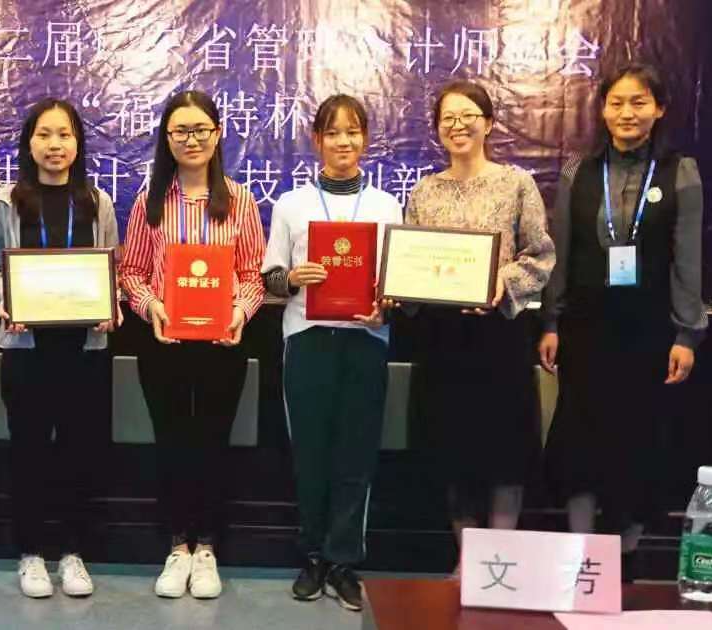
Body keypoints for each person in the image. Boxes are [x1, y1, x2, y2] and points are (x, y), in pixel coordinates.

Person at [539, 62, 706, 575]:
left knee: (639, 440)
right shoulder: (579, 170)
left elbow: (688, 258)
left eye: (639, 102)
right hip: (585, 329)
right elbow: (560, 252)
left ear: (659, 109)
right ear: (603, 110)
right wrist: (550, 321)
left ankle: (624, 555)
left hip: (649, 332)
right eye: (616, 102)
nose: (626, 112)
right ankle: (581, 550)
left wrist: (686, 334)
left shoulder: (680, 171)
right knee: (581, 438)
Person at [119, 90, 266, 599]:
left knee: (213, 442)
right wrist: (150, 306)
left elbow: (253, 274)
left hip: (222, 344)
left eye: (201, 129)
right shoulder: (151, 201)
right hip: (164, 343)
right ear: (167, 139)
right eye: (180, 131)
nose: (191, 139)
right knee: (172, 442)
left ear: (217, 134)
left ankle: (207, 548)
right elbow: (131, 272)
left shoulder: (241, 201)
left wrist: (239, 311)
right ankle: (177, 545)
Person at [261, 95, 401, 612]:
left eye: (353, 131)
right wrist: (294, 278)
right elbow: (271, 277)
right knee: (311, 453)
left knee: (356, 453)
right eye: (333, 133)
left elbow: (397, 281)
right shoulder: (291, 204)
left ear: (366, 138)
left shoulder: (387, 206)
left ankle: (344, 561)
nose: (344, 142)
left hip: (366, 340)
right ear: (316, 140)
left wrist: (385, 308)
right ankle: (313, 555)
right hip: (307, 337)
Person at [404, 80, 555, 560]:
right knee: (451, 453)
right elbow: (409, 262)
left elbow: (541, 255)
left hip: (499, 337)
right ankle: (468, 561)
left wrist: (502, 283)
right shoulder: (425, 192)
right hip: (442, 340)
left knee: (505, 452)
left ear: (488, 123)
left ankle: (499, 561)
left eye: (468, 115)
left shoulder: (516, 184)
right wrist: (399, 288)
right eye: (447, 118)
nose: (458, 126)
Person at [0, 98, 121, 598]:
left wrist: (110, 304)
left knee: (81, 452)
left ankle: (73, 553)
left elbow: (111, 267)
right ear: (29, 143)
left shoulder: (97, 202)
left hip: (84, 348)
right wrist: (6, 301)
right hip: (27, 347)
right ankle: (31, 553)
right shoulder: (5, 202)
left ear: (77, 143)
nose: (54, 145)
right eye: (44, 134)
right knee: (29, 451)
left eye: (64, 134)